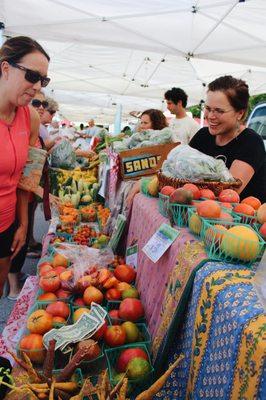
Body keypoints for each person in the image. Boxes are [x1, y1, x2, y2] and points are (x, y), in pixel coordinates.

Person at [0, 35, 50, 298]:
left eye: (43, 80)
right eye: (32, 76)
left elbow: (25, 178)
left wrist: (23, 222)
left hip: (6, 224)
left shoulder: (29, 116)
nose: (37, 86)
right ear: (5, 68)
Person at [189, 75, 266, 202]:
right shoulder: (202, 136)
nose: (211, 116)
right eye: (208, 109)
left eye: (219, 111)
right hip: (199, 210)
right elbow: (181, 171)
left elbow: (227, 194)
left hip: (240, 219)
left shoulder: (251, 142)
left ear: (240, 113)